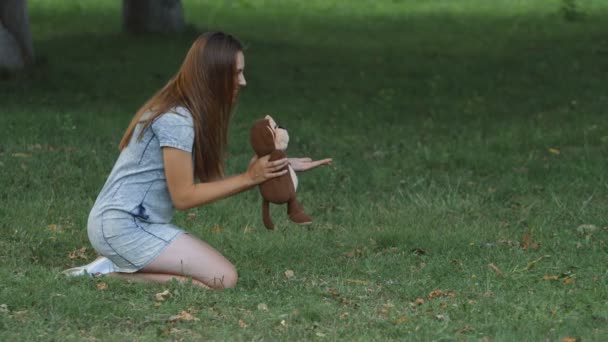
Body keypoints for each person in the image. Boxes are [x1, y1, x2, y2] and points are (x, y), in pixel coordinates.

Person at [63, 32, 332, 289]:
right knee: (222, 279)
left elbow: (213, 184)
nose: (243, 81)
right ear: (214, 73)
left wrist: (275, 166)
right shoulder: (177, 120)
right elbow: (184, 197)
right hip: (123, 227)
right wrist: (251, 177)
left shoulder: (187, 112)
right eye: (237, 72)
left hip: (134, 225)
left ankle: (119, 264)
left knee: (218, 278)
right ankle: (107, 274)